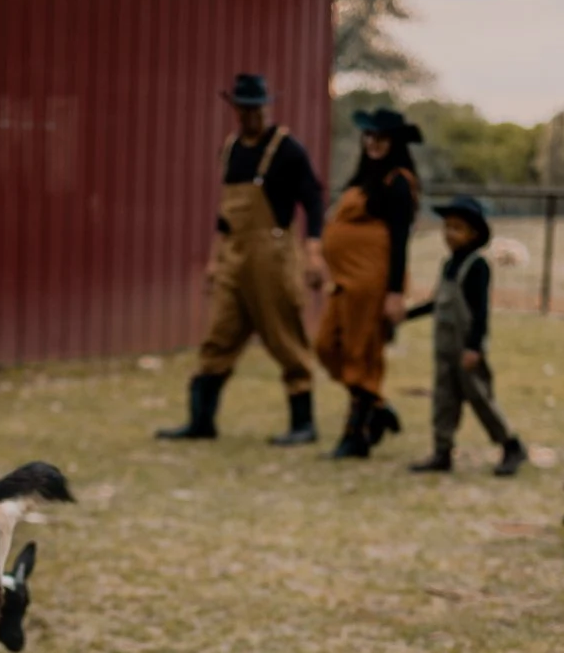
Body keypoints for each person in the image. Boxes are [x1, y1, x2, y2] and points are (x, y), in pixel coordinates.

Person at [157, 74, 327, 445]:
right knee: (220, 333)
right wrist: (214, 260)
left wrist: (314, 252)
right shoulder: (232, 148)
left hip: (273, 255)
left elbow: (313, 201)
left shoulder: (287, 149)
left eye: (258, 108)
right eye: (245, 108)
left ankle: (303, 423)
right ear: (235, 109)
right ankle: (201, 421)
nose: (252, 115)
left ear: (267, 106)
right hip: (233, 255)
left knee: (284, 335)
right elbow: (225, 213)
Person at [314, 108, 421, 459]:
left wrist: (394, 293)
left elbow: (401, 240)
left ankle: (356, 435)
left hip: (372, 285)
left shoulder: (399, 181)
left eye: (381, 138)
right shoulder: (362, 178)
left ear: (394, 142)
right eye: (369, 136)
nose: (373, 143)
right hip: (344, 283)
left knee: (362, 355)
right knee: (326, 345)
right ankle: (378, 406)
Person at [405, 195, 527, 476]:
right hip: (444, 349)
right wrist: (407, 315)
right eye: (446, 227)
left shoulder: (477, 266)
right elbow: (437, 302)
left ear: (474, 233)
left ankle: (511, 445)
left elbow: (481, 312)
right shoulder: (448, 264)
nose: (449, 234)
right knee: (443, 400)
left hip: (466, 349)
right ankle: (442, 450)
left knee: (480, 398)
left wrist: (474, 347)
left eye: (457, 228)